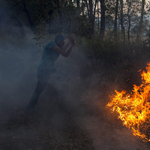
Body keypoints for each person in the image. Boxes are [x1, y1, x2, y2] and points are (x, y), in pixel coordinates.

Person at [27, 34, 76, 110]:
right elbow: (62, 51)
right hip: (43, 69)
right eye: (63, 42)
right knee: (39, 89)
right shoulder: (51, 44)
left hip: (49, 69)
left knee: (66, 79)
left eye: (64, 43)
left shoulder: (59, 47)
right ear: (58, 41)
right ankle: (29, 108)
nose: (63, 44)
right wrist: (69, 42)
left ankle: (63, 102)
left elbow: (66, 54)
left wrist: (72, 46)